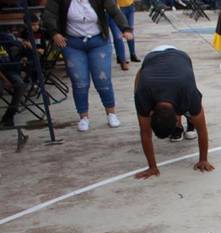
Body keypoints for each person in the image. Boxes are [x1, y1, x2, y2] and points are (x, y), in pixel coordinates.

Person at [43, 0, 133, 132]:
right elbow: (49, 14)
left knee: (102, 79)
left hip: (98, 42)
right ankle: (83, 117)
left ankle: (111, 114)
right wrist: (54, 33)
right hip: (72, 44)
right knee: (79, 81)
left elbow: (114, 11)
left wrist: (125, 28)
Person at [133, 46, 212, 179]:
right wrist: (152, 167)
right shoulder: (143, 94)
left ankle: (187, 121)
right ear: (151, 112)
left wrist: (203, 159)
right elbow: (145, 132)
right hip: (151, 59)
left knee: (193, 113)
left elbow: (202, 129)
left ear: (177, 118)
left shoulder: (188, 93)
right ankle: (181, 126)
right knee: (143, 101)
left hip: (180, 56)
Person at [108, 0, 139, 71]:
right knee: (118, 36)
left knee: (129, 31)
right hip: (115, 9)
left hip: (129, 6)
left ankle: (132, 54)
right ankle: (122, 60)